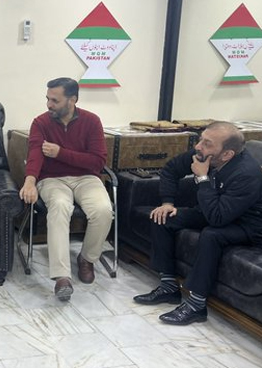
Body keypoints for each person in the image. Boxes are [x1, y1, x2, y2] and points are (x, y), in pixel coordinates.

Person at [134, 121, 262, 325]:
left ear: (227, 154)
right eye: (201, 139)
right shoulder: (202, 155)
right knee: (162, 217)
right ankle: (168, 287)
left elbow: (217, 220)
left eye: (207, 143)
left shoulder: (246, 174)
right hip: (214, 210)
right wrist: (167, 203)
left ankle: (196, 305)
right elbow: (170, 169)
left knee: (212, 235)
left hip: (249, 225)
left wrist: (202, 177)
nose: (199, 146)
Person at [19, 77, 112, 301]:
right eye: (48, 99)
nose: (49, 105)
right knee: (60, 207)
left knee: (103, 210)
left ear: (73, 100)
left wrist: (61, 153)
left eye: (55, 100)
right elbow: (34, 154)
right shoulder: (41, 122)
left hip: (86, 178)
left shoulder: (92, 121)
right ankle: (62, 277)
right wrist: (30, 181)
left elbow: (97, 162)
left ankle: (87, 259)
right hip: (52, 179)